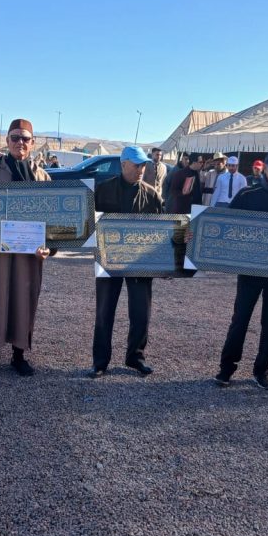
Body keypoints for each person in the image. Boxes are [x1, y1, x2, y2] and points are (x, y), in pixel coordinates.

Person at [0, 119, 53, 378]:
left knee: (23, 300)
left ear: (33, 143)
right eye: (15, 138)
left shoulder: (42, 177)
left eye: (25, 138)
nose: (20, 143)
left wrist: (49, 247)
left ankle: (19, 356)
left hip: (27, 256)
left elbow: (55, 219)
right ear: (7, 141)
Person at [215, 150, 268, 388]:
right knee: (240, 319)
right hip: (250, 270)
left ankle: (262, 370)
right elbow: (226, 225)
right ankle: (227, 368)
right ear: (265, 169)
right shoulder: (247, 194)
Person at [90, 146, 164, 378]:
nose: (141, 169)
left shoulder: (152, 195)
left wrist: (169, 260)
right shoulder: (102, 190)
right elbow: (88, 223)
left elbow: (164, 231)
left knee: (141, 313)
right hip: (108, 260)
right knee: (104, 312)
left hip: (140, 262)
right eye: (136, 165)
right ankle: (100, 362)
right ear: (123, 164)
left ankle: (136, 357)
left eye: (143, 165)